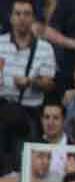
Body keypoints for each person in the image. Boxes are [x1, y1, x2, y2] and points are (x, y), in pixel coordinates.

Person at [0, 0, 56, 172]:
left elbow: (49, 84)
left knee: (23, 162)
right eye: (17, 13)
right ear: (10, 18)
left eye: (26, 14)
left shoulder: (45, 48)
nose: (22, 18)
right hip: (2, 107)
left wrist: (31, 82)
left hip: (29, 112)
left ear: (33, 18)